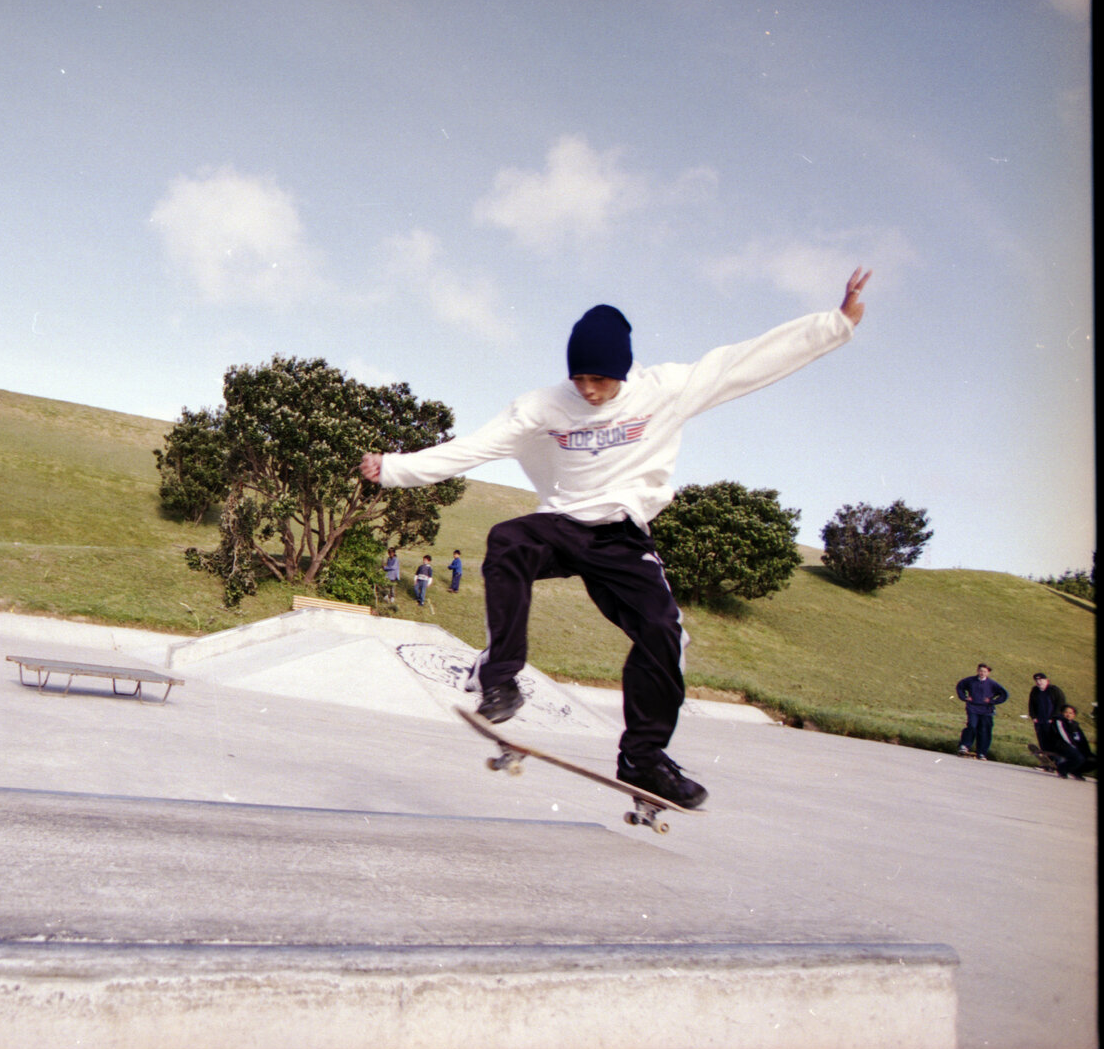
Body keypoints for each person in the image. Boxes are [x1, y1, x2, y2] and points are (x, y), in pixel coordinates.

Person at [359, 267, 874, 809]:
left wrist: (835, 324)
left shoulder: (665, 390)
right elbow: (476, 447)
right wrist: (394, 468)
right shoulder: (543, 405)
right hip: (561, 524)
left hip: (622, 536)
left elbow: (743, 363)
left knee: (662, 633)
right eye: (579, 378)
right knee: (508, 539)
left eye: (599, 381)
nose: (587, 389)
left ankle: (645, 759)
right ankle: (501, 679)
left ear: (623, 371)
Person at [955, 663, 1009, 760]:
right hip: (973, 707)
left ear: (988, 673)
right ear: (977, 671)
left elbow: (1004, 694)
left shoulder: (992, 684)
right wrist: (964, 697)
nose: (982, 673)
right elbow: (960, 686)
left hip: (986, 710)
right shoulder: (970, 680)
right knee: (972, 725)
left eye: (984, 671)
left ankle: (982, 752)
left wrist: (992, 701)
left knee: (984, 730)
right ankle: (965, 746)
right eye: (980, 671)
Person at [1050, 704, 1095, 779]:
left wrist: (1087, 751)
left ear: (1074, 715)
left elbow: (1082, 739)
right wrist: (1074, 747)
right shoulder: (1058, 721)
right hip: (1062, 745)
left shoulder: (1075, 725)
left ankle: (1075, 771)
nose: (1068, 715)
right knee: (1078, 757)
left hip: (1074, 746)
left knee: (1093, 759)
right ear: (1062, 713)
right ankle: (1062, 769)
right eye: (1066, 712)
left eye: (1071, 713)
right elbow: (1064, 736)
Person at [1027, 672, 1068, 753]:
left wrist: (1054, 717)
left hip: (1052, 721)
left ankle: (1055, 760)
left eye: (1041, 680)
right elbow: (1031, 704)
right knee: (1042, 741)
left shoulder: (1054, 690)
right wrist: (1034, 717)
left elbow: (1061, 704)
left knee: (1052, 741)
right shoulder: (1035, 690)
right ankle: (1046, 760)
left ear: (1047, 680)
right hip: (1040, 721)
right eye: (1037, 680)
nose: (1039, 682)